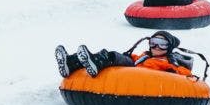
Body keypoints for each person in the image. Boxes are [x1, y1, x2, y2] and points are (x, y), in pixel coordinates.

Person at [55, 31, 194, 79]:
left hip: (143, 78)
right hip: (134, 70)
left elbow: (186, 74)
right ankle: (71, 63)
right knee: (113, 56)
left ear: (169, 47)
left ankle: (96, 63)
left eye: (161, 43)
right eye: (153, 43)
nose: (156, 47)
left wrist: (172, 70)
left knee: (115, 58)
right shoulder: (146, 56)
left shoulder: (170, 61)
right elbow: (134, 59)